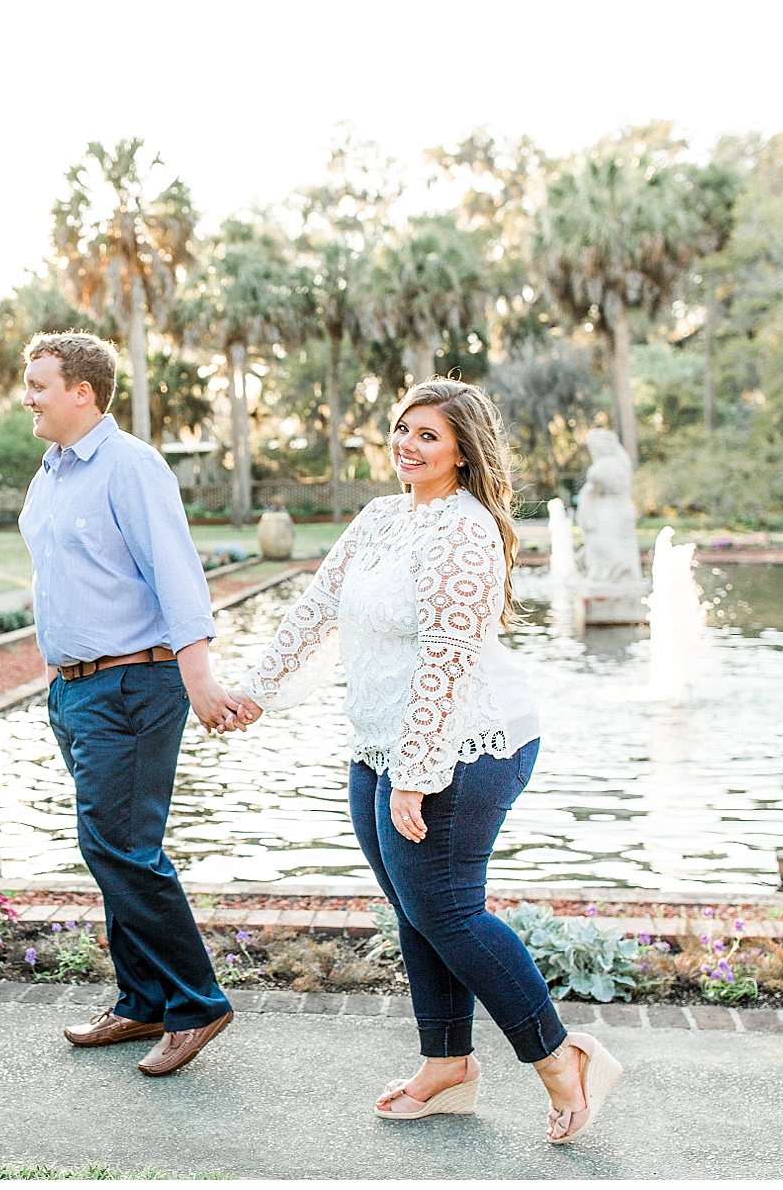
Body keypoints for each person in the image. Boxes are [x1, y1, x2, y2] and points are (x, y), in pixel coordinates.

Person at [229, 379, 623, 1143]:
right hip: (381, 741)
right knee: (417, 908)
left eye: (428, 435)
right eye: (402, 428)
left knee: (448, 910)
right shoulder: (381, 516)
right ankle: (446, 1065)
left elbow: (447, 658)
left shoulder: (466, 530)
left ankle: (562, 1058)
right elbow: (315, 608)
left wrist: (415, 775)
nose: (407, 444)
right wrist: (256, 693)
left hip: (469, 743)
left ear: (462, 451)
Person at [18, 330, 244, 1077]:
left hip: (132, 686)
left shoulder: (132, 466)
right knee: (108, 844)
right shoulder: (51, 473)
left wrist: (199, 678)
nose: (28, 398)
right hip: (74, 689)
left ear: (82, 391)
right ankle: (143, 998)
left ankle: (197, 1002)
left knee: (121, 846)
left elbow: (177, 575)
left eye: (39, 385)